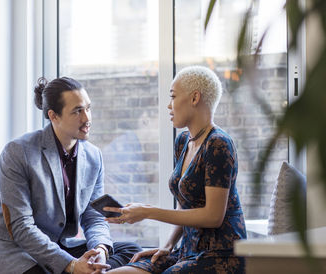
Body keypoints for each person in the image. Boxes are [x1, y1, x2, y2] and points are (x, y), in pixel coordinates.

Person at [0, 77, 141, 274]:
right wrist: (71, 265)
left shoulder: (93, 156)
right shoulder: (18, 152)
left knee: (131, 251)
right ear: (54, 116)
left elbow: (93, 217)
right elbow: (21, 226)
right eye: (77, 111)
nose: (87, 118)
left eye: (88, 108)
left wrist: (100, 249)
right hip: (16, 250)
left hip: (58, 244)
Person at [104, 66, 247, 274]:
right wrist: (168, 245)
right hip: (186, 250)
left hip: (220, 254)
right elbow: (186, 205)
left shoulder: (218, 144)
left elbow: (213, 216)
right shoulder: (183, 141)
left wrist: (148, 212)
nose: (169, 106)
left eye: (173, 96)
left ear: (194, 98)